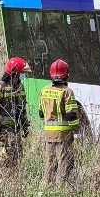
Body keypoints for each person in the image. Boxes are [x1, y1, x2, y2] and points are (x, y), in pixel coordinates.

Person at [39, 59, 82, 188]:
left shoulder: (44, 90)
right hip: (63, 134)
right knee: (64, 161)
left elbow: (41, 113)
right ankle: (60, 188)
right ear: (66, 74)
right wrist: (76, 131)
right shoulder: (67, 91)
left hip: (48, 134)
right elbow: (71, 115)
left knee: (50, 162)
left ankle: (46, 186)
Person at [0, 56, 31, 168]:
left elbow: (23, 108)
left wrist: (25, 125)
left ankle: (14, 177)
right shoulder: (0, 87)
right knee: (6, 153)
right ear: (15, 72)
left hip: (16, 127)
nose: (23, 75)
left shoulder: (19, 87)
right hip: (3, 128)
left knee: (18, 153)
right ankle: (3, 176)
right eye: (22, 73)